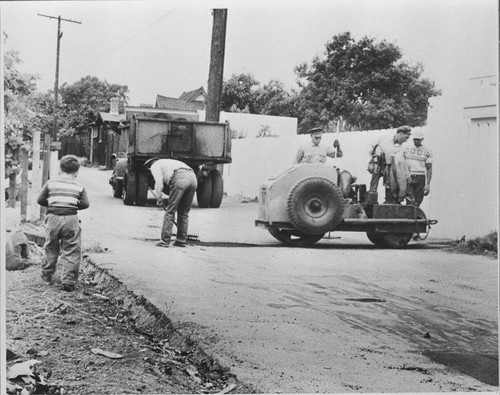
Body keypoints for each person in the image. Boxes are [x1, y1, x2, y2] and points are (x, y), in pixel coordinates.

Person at [37, 155, 90, 292]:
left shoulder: (51, 183)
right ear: (77, 172)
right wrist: (71, 206)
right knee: (71, 249)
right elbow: (85, 204)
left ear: (60, 169)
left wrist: (53, 205)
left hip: (53, 218)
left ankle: (47, 277)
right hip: (71, 219)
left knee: (50, 246)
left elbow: (40, 200)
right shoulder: (79, 187)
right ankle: (68, 281)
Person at [146, 158, 198, 248]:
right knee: (184, 212)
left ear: (150, 166)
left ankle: (164, 241)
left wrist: (159, 197)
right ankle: (181, 240)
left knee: (170, 211)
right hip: (193, 177)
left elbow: (158, 182)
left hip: (180, 177)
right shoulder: (168, 162)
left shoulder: (155, 165)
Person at [368, 125, 412, 204]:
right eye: (406, 138)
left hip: (389, 164)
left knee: (390, 181)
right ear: (401, 134)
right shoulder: (386, 137)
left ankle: (389, 199)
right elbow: (373, 146)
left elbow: (398, 159)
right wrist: (377, 153)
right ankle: (372, 199)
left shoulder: (401, 147)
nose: (406, 141)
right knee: (375, 179)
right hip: (379, 161)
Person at [403, 129, 433, 206]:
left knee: (418, 201)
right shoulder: (407, 149)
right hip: (408, 176)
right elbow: (402, 163)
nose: (416, 141)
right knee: (410, 201)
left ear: (422, 139)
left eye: (418, 140)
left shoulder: (427, 151)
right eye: (415, 139)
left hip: (420, 178)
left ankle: (415, 217)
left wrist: (427, 184)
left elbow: (429, 168)